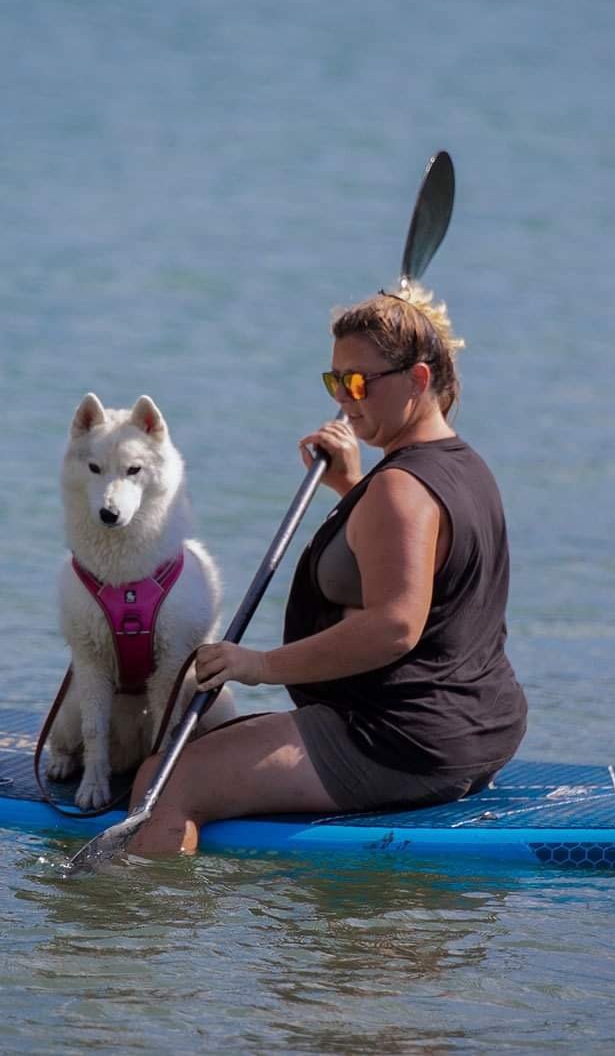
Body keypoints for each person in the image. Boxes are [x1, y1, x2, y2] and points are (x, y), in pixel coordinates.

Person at [122, 280, 527, 856]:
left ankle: (139, 936)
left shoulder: (399, 491)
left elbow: (393, 628)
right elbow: (409, 554)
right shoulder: (464, 468)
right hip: (482, 730)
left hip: (400, 741)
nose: (343, 397)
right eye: (334, 380)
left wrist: (257, 664)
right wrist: (350, 488)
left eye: (359, 381)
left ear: (418, 380)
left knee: (163, 783)